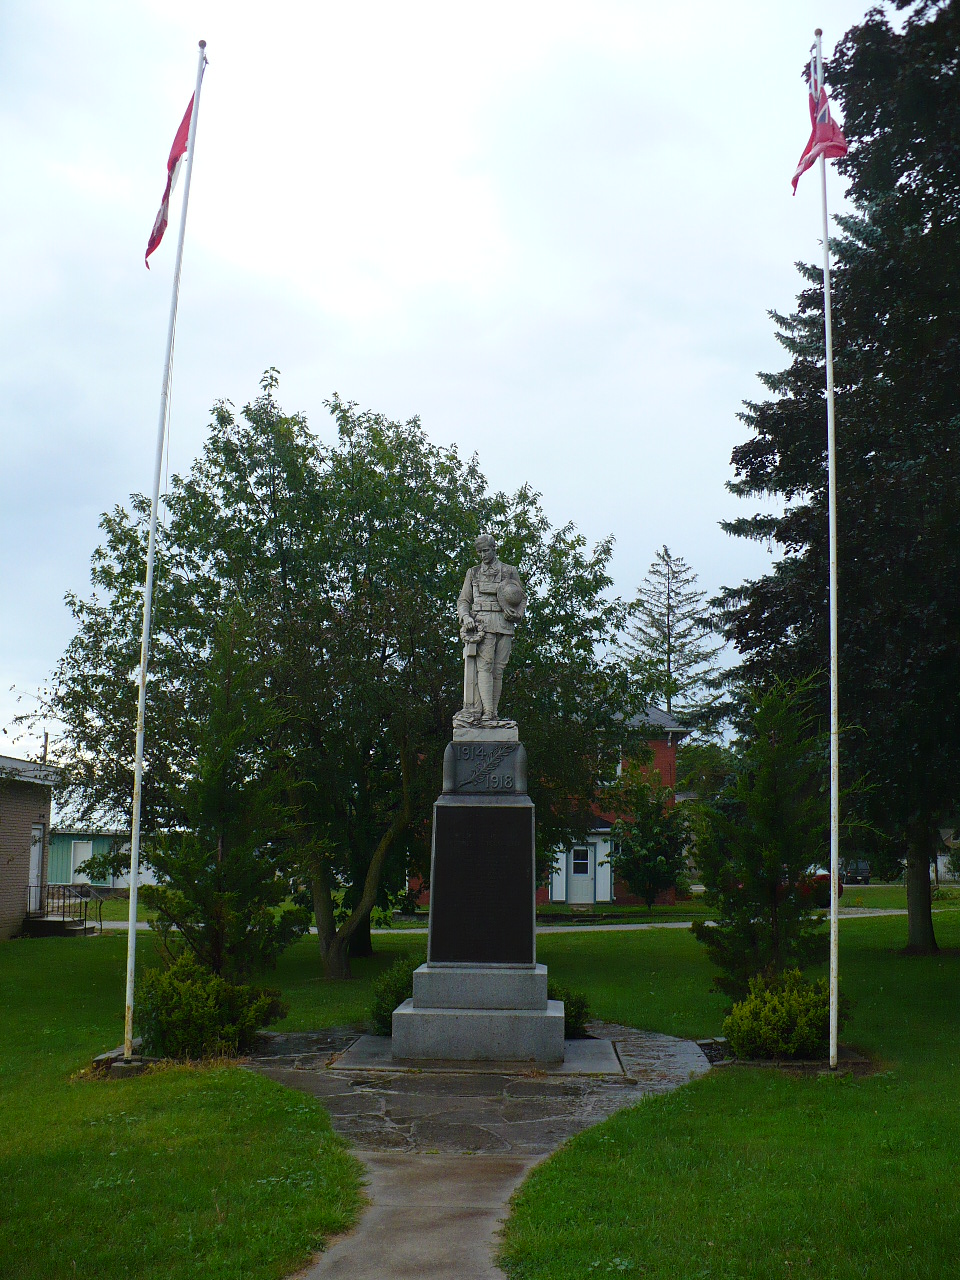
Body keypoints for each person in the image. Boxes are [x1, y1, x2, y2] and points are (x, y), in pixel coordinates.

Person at [456, 534, 526, 726]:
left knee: (499, 670)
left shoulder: (509, 571)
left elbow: (522, 597)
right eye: (479, 552)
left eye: (485, 551)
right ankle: (487, 713)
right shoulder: (473, 572)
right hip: (482, 624)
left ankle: (493, 712)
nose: (482, 555)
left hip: (504, 623)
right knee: (484, 667)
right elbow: (463, 600)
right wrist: (466, 617)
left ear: (494, 549)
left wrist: (518, 614)